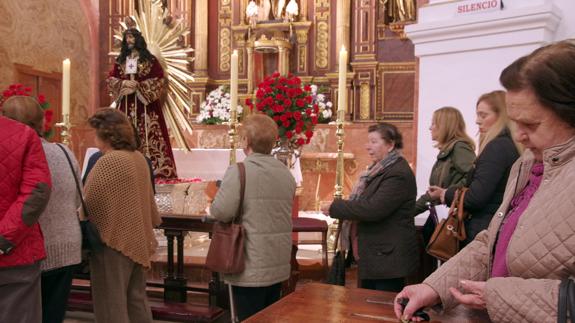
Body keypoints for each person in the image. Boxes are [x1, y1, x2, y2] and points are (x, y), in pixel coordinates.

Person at [394, 40, 575, 323]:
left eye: (531, 125)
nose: (519, 136)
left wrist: (497, 296)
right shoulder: (527, 164)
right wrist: (434, 287)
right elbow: (492, 241)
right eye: (515, 122)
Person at [2, 96, 82, 323]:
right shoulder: (63, 152)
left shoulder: (24, 149)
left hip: (28, 248)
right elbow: (77, 199)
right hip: (67, 246)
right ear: (42, 123)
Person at [210, 114, 296, 321]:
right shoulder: (285, 172)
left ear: (246, 140)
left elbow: (221, 211)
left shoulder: (240, 170)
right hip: (277, 261)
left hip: (250, 264)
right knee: (270, 316)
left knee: (249, 317)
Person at [84, 108, 161, 323]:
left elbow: (87, 202)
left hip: (113, 242)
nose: (94, 137)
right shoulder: (138, 158)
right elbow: (147, 199)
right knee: (136, 301)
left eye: (95, 131)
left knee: (111, 305)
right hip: (137, 238)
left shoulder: (108, 161)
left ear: (106, 134)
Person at [321, 123, 419, 292]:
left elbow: (373, 209)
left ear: (390, 145)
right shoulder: (379, 170)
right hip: (376, 255)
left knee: (382, 309)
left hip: (388, 259)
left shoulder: (398, 173)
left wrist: (336, 207)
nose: (367, 146)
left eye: (374, 142)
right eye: (368, 141)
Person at [428, 91, 521, 247]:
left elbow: (476, 196)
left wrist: (446, 193)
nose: (477, 121)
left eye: (483, 115)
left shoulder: (497, 147)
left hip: (484, 227)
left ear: (502, 115)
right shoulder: (509, 145)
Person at [0, 114, 52, 323]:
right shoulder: (23, 134)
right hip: (15, 252)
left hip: (14, 259)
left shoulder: (22, 135)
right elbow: (37, 192)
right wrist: (4, 238)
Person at [107, 28, 177, 179]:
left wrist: (139, 86)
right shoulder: (120, 61)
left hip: (146, 108)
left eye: (132, 37)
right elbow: (111, 79)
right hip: (126, 104)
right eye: (127, 38)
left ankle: (155, 172)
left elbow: (159, 79)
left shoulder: (150, 60)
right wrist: (124, 84)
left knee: (150, 137)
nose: (129, 41)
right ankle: (122, 172)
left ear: (137, 39)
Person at [415, 107, 476, 217]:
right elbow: (434, 193)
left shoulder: (459, 148)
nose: (430, 128)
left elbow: (473, 177)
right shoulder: (448, 151)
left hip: (452, 215)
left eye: (433, 123)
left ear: (444, 126)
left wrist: (446, 193)